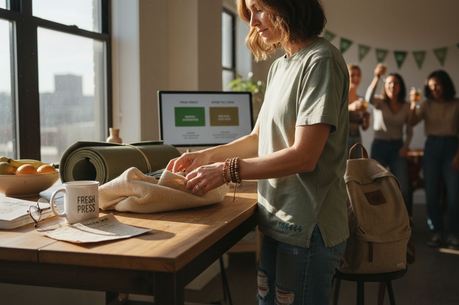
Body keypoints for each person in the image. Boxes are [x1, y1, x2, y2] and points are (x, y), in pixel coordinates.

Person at [167, 0, 349, 303]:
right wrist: (209, 156)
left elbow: (305, 156)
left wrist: (226, 171)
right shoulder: (280, 66)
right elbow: (258, 137)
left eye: (258, 9)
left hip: (307, 226)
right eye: (248, 13)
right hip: (277, 217)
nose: (252, 22)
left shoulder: (320, 60)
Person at [408, 70, 459, 249]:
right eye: (431, 86)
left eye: (438, 85)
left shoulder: (458, 104)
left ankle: (453, 234)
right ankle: (436, 232)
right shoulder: (426, 104)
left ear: (446, 84)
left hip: (452, 147)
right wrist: (413, 103)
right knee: (431, 193)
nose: (434, 89)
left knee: (454, 194)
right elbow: (411, 122)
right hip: (432, 147)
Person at [366, 63, 413, 216]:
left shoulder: (406, 106)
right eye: (389, 83)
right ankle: (377, 220)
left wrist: (406, 146)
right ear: (385, 86)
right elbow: (368, 98)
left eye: (396, 83)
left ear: (401, 86)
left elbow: (410, 128)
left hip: (397, 148)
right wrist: (377, 77)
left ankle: (405, 222)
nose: (393, 86)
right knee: (375, 185)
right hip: (379, 146)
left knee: (403, 187)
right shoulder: (379, 102)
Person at [347, 64, 370, 152]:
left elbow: (364, 127)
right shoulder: (341, 97)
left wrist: (366, 118)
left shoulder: (361, 100)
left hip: (357, 138)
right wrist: (350, 108)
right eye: (352, 75)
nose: (356, 78)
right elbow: (334, 114)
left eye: (358, 75)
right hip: (342, 138)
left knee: (356, 165)